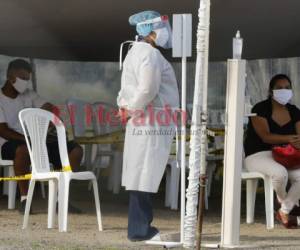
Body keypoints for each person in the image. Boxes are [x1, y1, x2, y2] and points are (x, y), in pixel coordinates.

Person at [117, 11, 179, 241]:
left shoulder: (134, 52)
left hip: (144, 119)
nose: (167, 33)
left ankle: (139, 227)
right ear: (150, 31)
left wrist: (125, 107)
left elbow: (127, 89)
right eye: (163, 28)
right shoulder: (150, 54)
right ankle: (140, 230)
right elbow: (147, 90)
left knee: (140, 173)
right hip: (151, 121)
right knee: (143, 173)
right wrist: (131, 109)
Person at [0, 59, 83, 213]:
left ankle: (61, 199)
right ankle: (26, 200)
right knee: (23, 150)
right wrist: (31, 139)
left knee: (75, 151)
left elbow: (48, 106)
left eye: (28, 79)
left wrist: (46, 121)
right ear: (11, 77)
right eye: (23, 78)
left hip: (38, 140)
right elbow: (3, 130)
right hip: (9, 143)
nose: (25, 83)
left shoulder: (28, 94)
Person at [244, 74, 300, 228]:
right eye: (279, 88)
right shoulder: (260, 108)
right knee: (280, 173)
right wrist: (289, 138)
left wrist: (296, 141)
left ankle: (284, 210)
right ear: (271, 91)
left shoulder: (294, 111)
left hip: (286, 155)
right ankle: (284, 201)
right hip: (258, 155)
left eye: (287, 88)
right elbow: (265, 137)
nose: (284, 91)